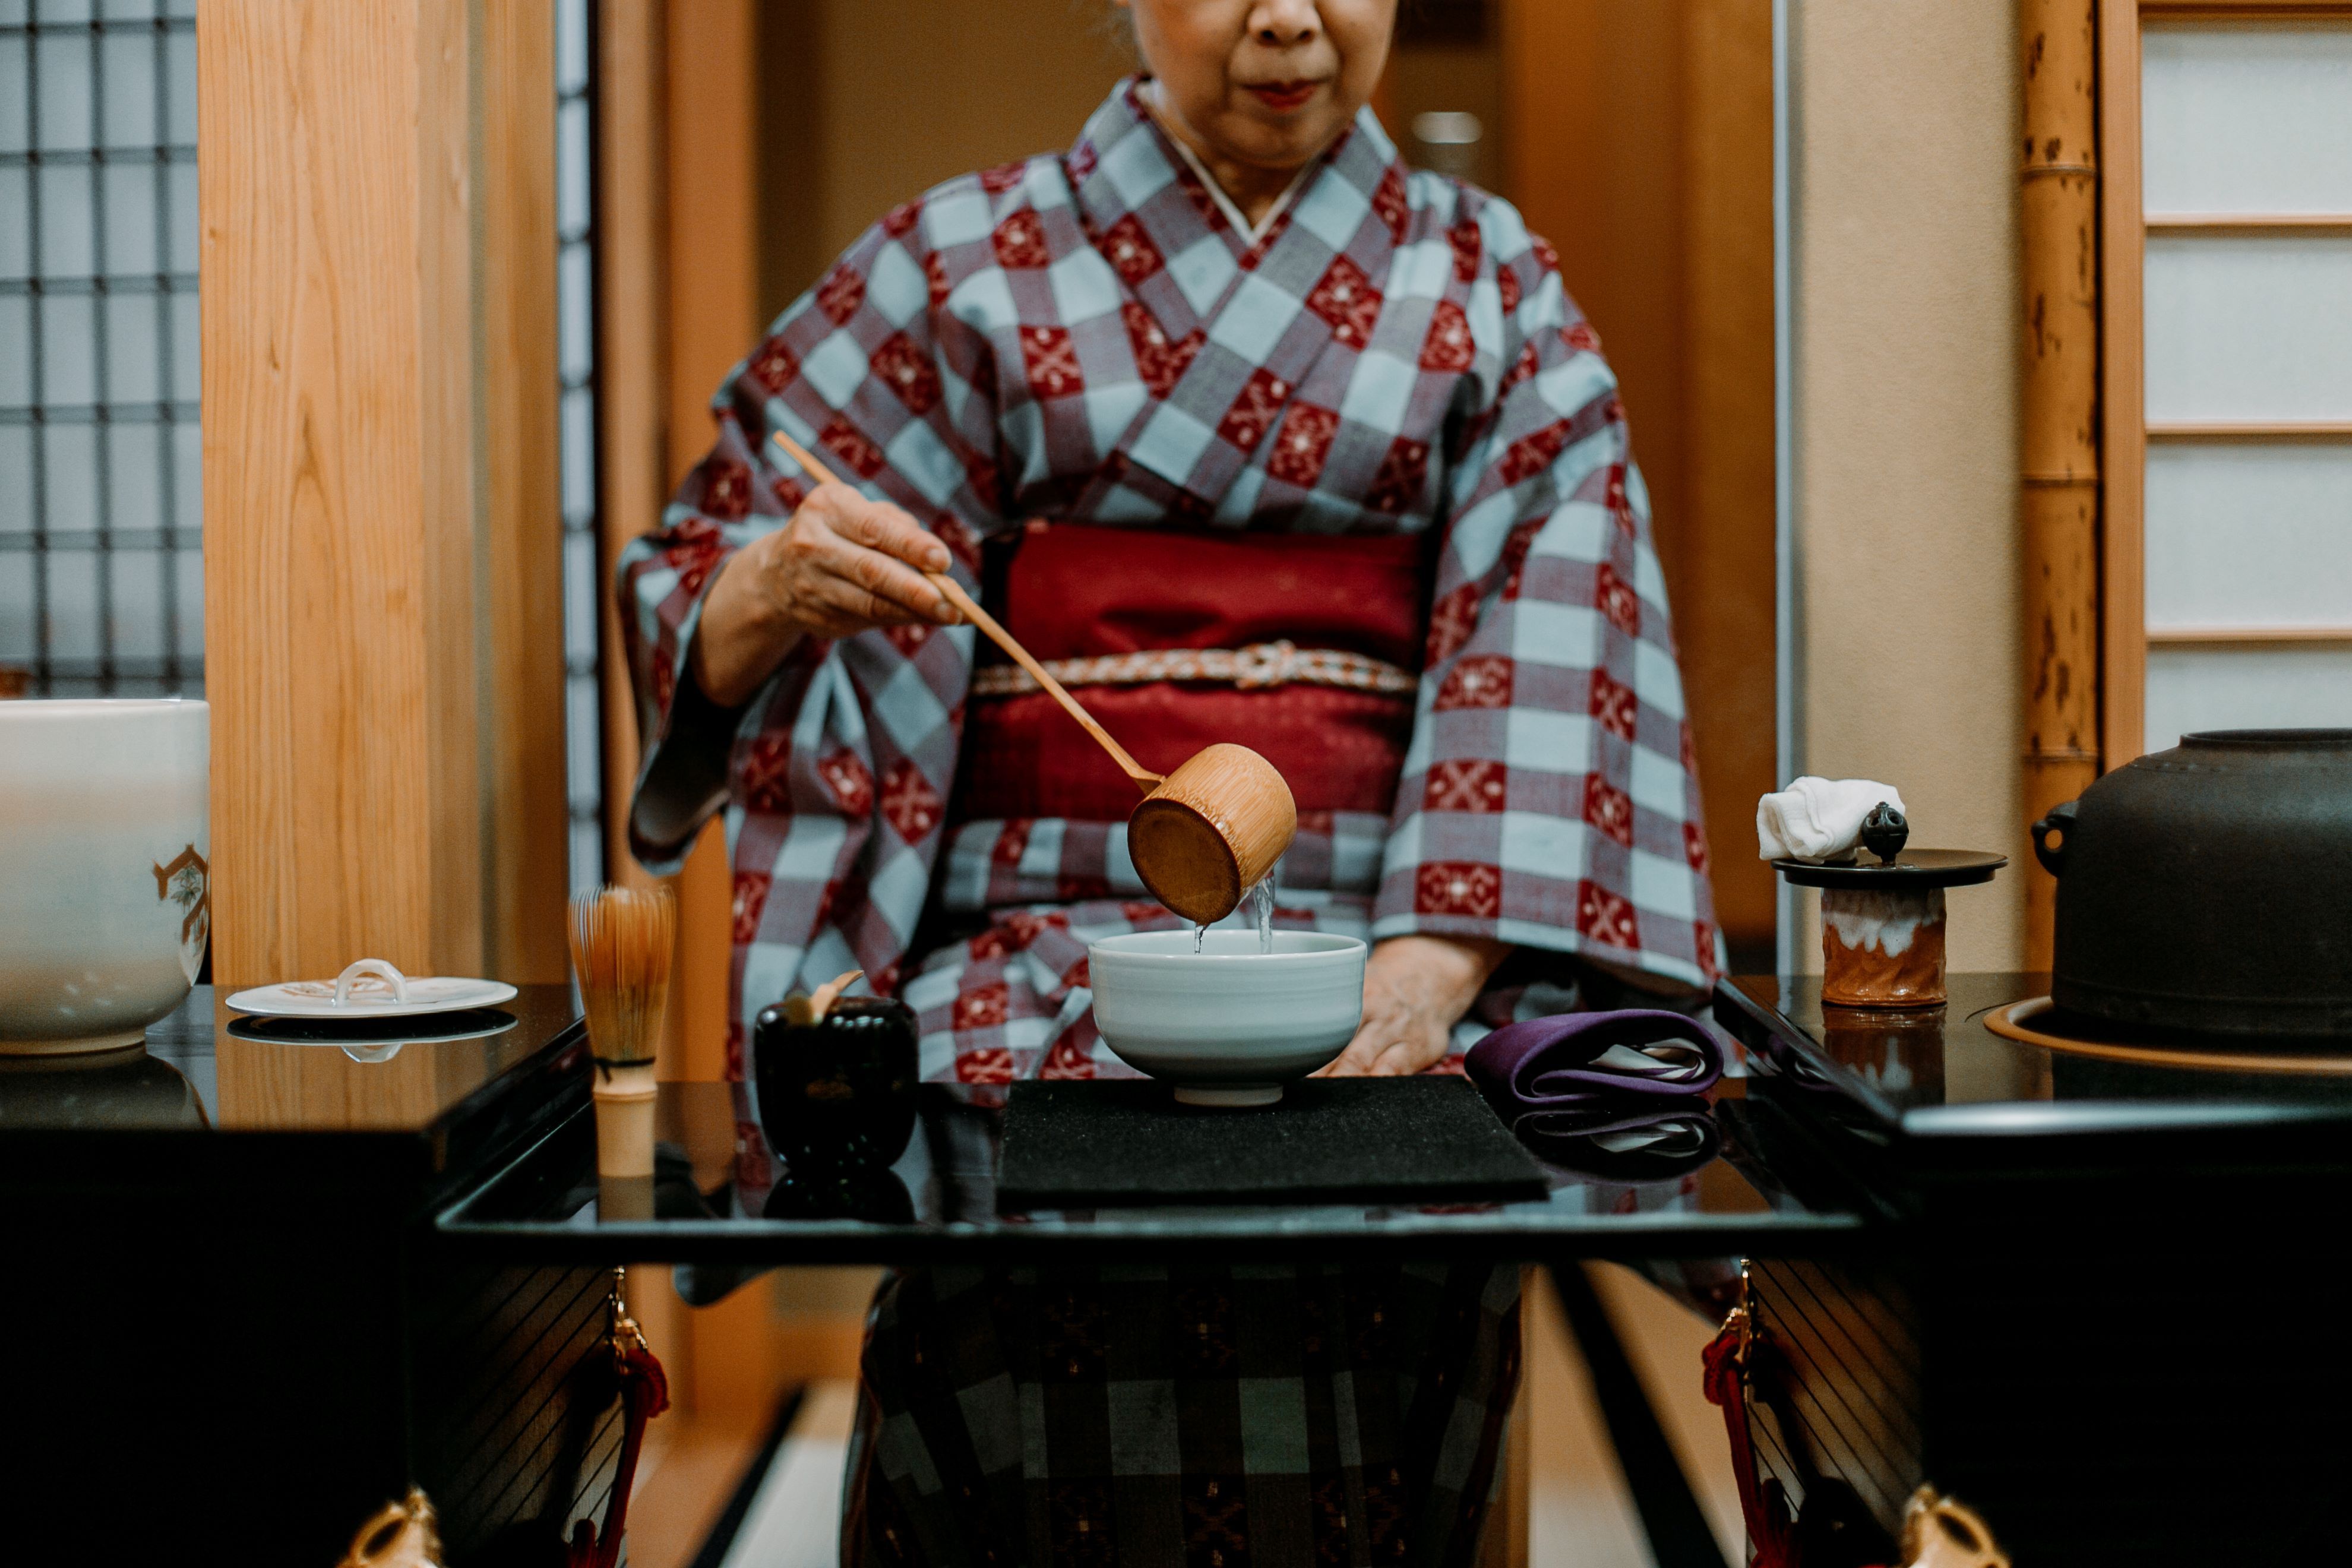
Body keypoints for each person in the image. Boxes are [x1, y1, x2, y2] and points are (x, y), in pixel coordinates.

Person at [619, 1, 1718, 1559]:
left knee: (1399, 1205)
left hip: (1376, 943)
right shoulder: (956, 266)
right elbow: (698, 578)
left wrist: (1427, 970)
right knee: (1001, 1227)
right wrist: (761, 596)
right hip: (1020, 954)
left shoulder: (1493, 288)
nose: (1288, 16)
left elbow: (1554, 640)